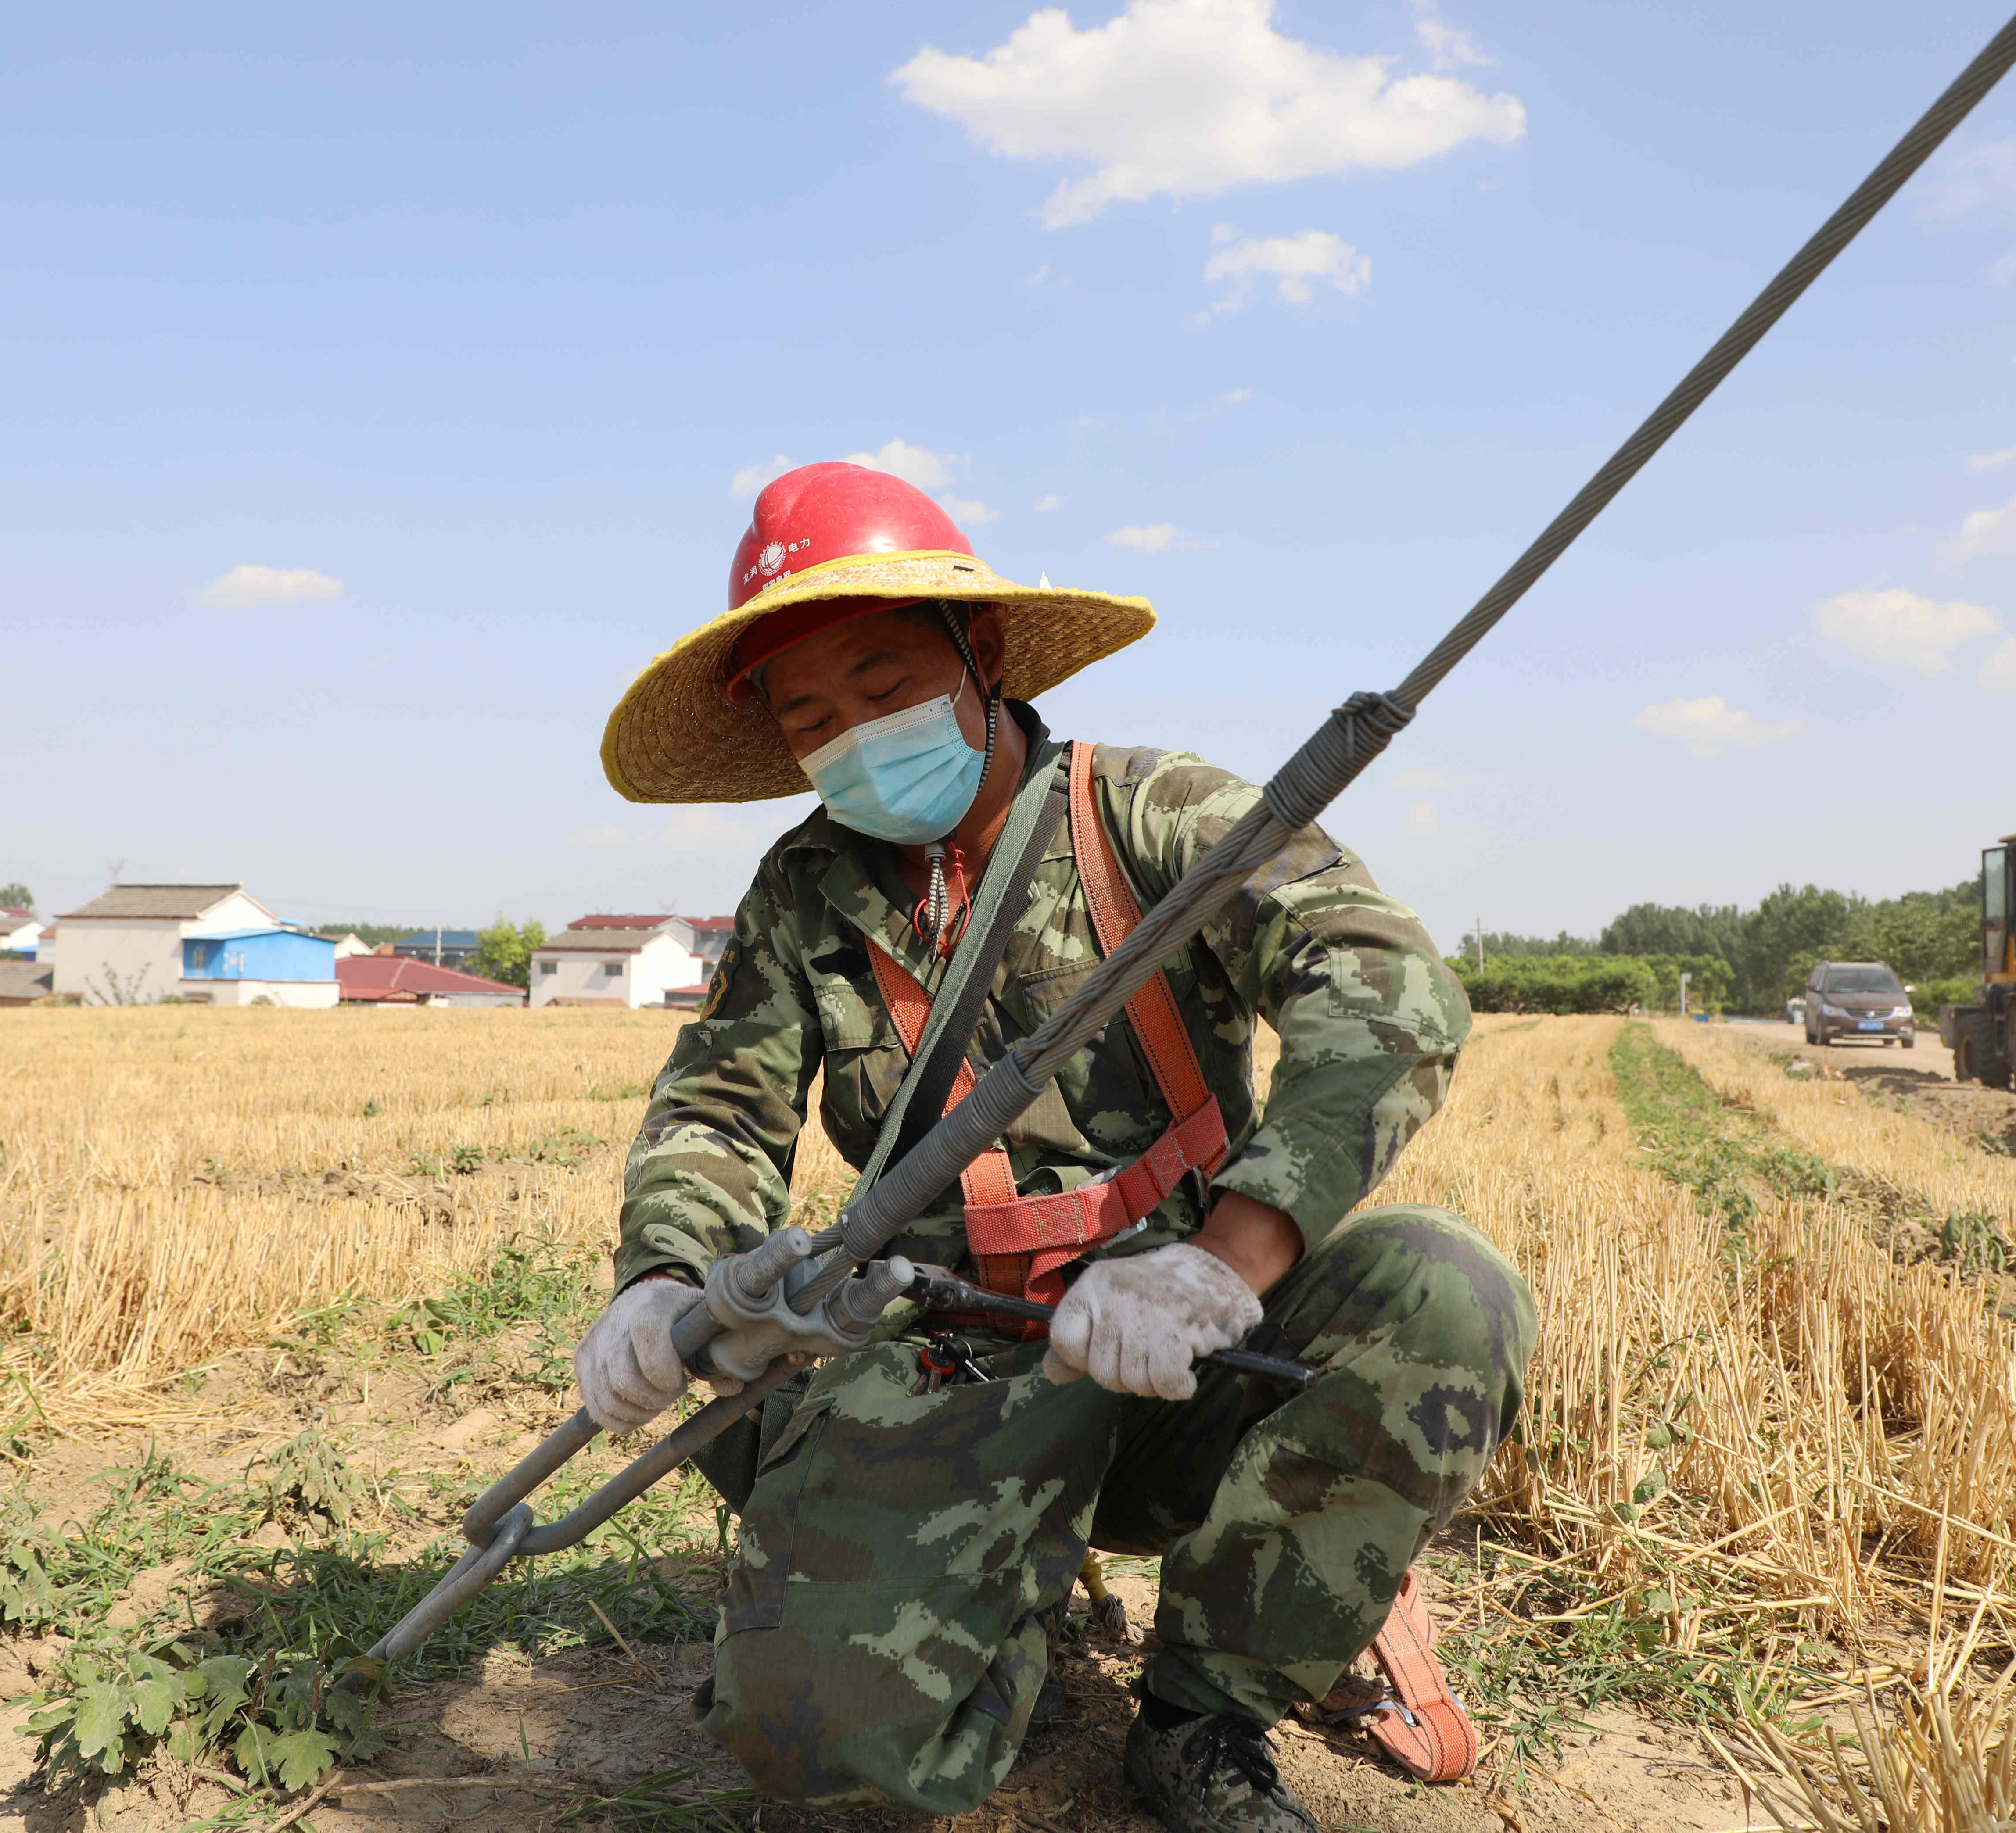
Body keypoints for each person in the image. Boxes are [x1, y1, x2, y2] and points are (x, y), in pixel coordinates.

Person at [574, 462, 1535, 1833]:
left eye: (886, 684)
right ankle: (980, 1582)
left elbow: (1390, 994)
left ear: (983, 654)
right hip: (948, 1369)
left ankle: (1209, 1710)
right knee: (812, 1741)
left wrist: (1221, 1264)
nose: (858, 736)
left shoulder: (1153, 813)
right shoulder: (803, 893)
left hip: (1175, 1362)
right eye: (812, 718)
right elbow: (721, 1109)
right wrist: (665, 1281)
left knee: (1445, 1291)